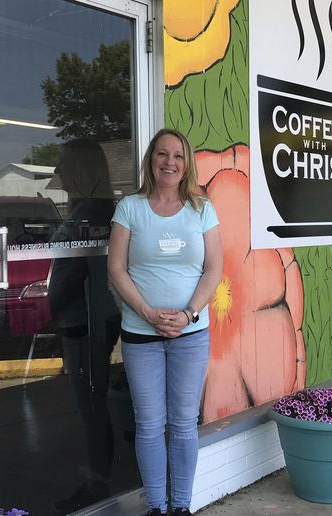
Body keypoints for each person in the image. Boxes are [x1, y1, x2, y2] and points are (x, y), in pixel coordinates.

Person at [107, 129, 222, 516]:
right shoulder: (130, 208)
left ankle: (181, 508)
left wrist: (188, 313)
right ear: (150, 160)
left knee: (184, 423)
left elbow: (213, 269)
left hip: (191, 333)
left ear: (186, 162)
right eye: (161, 154)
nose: (169, 162)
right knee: (150, 424)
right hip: (141, 333)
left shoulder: (203, 209)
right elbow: (116, 269)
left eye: (177, 155)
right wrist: (148, 313)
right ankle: (156, 507)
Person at [48, 140, 123, 514]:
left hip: (86, 320)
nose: (57, 171)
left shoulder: (93, 211)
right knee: (89, 401)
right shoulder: (83, 208)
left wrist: (51, 306)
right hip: (80, 318)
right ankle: (98, 477)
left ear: (80, 170)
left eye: (63, 164)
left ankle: (99, 484)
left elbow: (78, 269)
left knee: (89, 403)